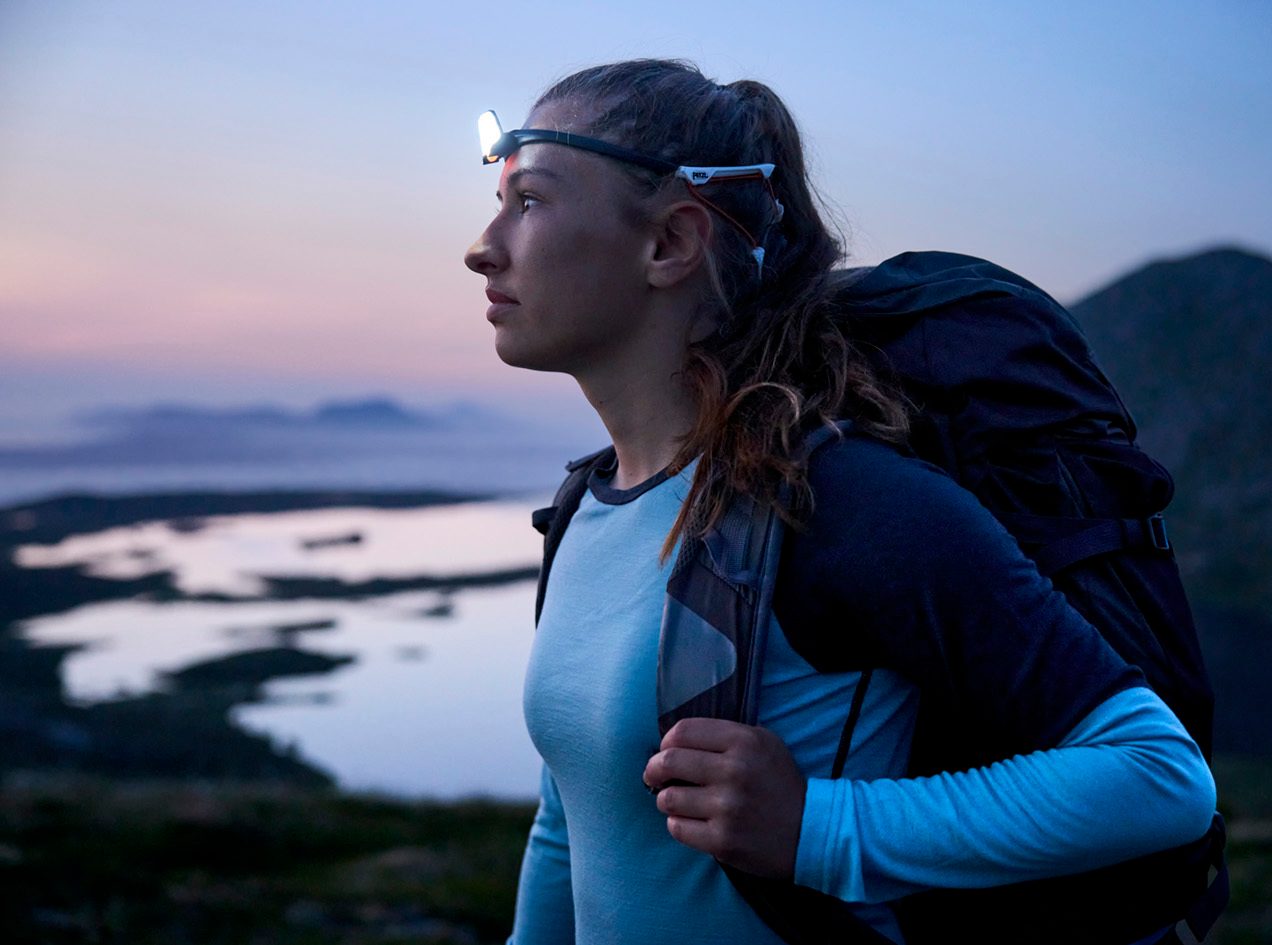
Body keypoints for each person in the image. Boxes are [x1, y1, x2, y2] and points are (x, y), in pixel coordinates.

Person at [464, 59, 1217, 945]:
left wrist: (817, 828)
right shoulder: (585, 507)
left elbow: (1158, 776)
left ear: (669, 242)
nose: (483, 245)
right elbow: (571, 818)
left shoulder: (836, 502)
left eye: (530, 201)